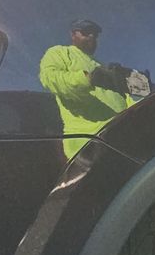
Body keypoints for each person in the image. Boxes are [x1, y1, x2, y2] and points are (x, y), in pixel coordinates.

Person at [38, 19, 148, 160]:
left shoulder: (101, 66)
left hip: (122, 138)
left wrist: (139, 90)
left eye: (94, 34)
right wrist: (87, 78)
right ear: (73, 35)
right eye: (86, 32)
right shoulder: (60, 52)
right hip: (89, 144)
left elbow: (126, 102)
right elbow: (50, 78)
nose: (91, 36)